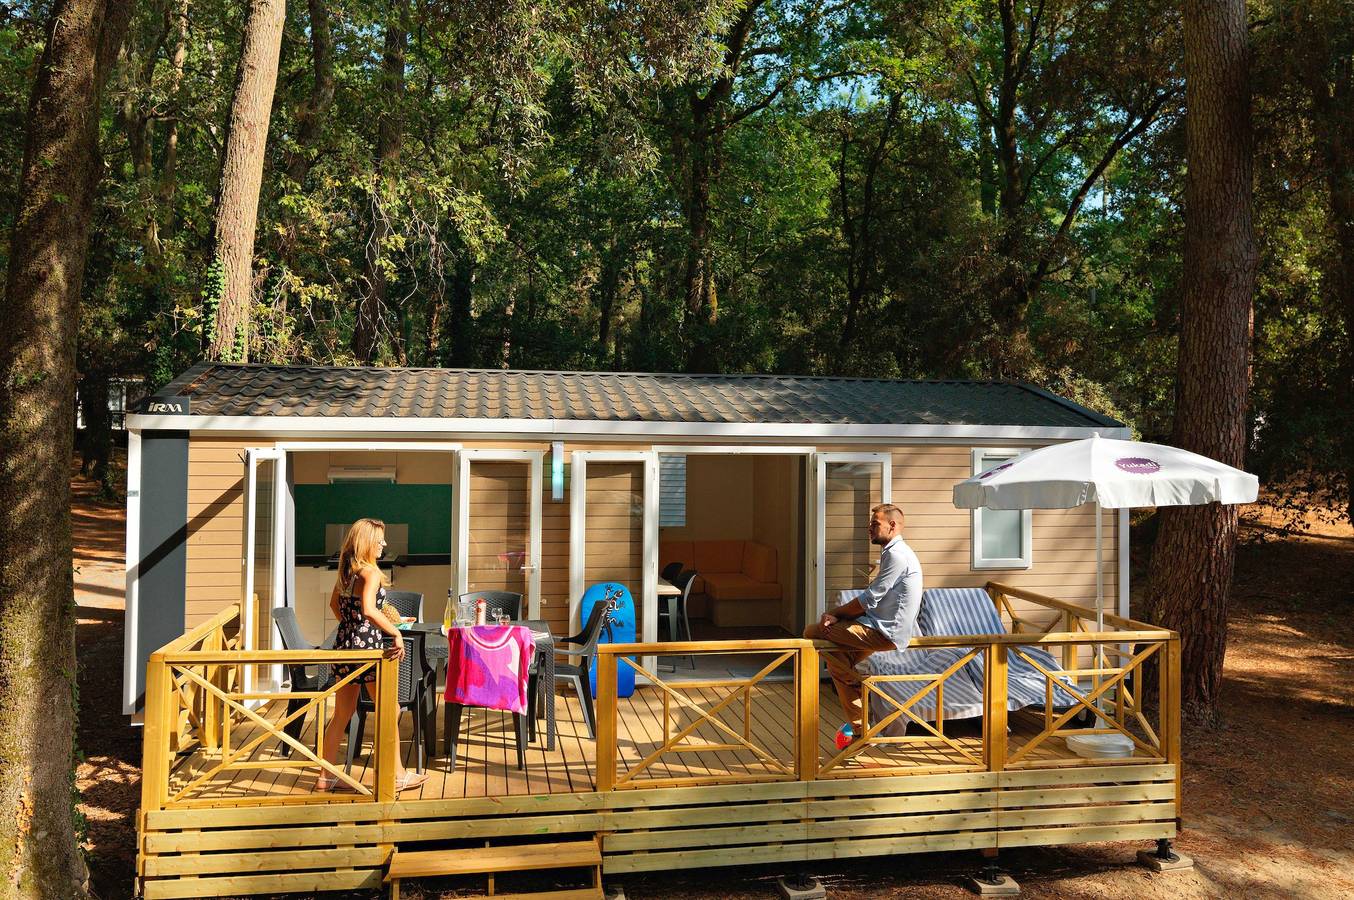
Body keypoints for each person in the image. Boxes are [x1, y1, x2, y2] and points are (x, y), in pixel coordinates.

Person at [316, 517, 428, 792]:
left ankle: (325, 777)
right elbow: (368, 608)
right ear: (367, 542)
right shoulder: (370, 573)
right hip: (367, 650)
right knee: (390, 709)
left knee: (342, 714)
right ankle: (396, 775)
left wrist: (352, 628)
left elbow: (334, 605)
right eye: (380, 540)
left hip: (345, 647)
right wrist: (395, 632)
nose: (384, 544)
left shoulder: (348, 572)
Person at [803, 503, 923, 738]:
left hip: (884, 633)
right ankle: (862, 730)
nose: (869, 528)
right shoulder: (895, 553)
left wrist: (835, 613)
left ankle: (857, 685)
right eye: (870, 523)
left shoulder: (897, 555)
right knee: (837, 663)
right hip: (878, 627)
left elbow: (869, 599)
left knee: (811, 632)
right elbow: (874, 601)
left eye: (875, 524)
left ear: (892, 525)